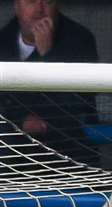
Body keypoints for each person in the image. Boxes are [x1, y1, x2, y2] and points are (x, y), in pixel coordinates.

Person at [0, 0, 99, 165]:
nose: (40, 10)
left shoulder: (80, 40)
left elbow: (77, 102)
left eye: (48, 2)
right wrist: (21, 120)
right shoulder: (3, 40)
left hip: (68, 155)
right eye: (31, 2)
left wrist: (48, 55)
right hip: (11, 157)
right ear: (17, 6)